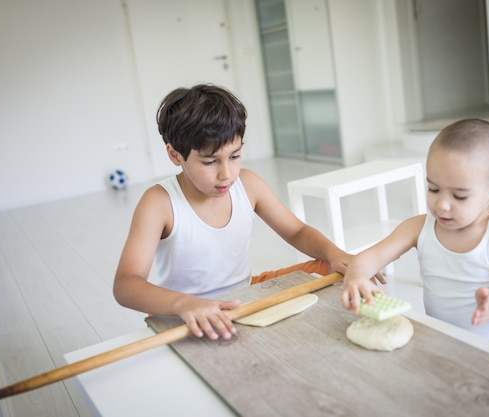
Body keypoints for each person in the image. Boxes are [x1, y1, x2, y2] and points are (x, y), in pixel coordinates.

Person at [114, 84, 350, 341]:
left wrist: (336, 254)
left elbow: (296, 231)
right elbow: (126, 283)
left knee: (332, 266)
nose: (226, 173)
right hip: (183, 311)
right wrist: (183, 304)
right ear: (175, 154)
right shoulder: (159, 202)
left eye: (235, 156)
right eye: (210, 161)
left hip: (242, 296)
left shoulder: (248, 184)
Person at [341, 119, 489, 352]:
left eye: (459, 196)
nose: (442, 205)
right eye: (433, 189)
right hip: (447, 344)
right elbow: (370, 257)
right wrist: (356, 276)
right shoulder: (418, 227)